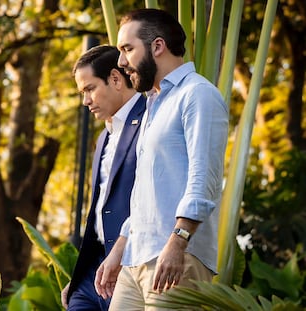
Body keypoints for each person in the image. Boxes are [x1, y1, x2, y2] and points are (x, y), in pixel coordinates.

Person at [94, 9, 229, 310]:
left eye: (127, 49)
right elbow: (146, 194)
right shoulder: (153, 105)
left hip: (177, 256)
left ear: (157, 46)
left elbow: (203, 179)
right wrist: (120, 248)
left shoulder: (198, 95)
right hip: (136, 258)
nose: (120, 61)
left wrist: (178, 241)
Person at [61, 45, 146, 310]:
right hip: (94, 272)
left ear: (116, 79)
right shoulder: (103, 136)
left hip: (133, 266)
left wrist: (121, 254)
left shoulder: (151, 121)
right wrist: (81, 277)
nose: (85, 100)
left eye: (89, 89)